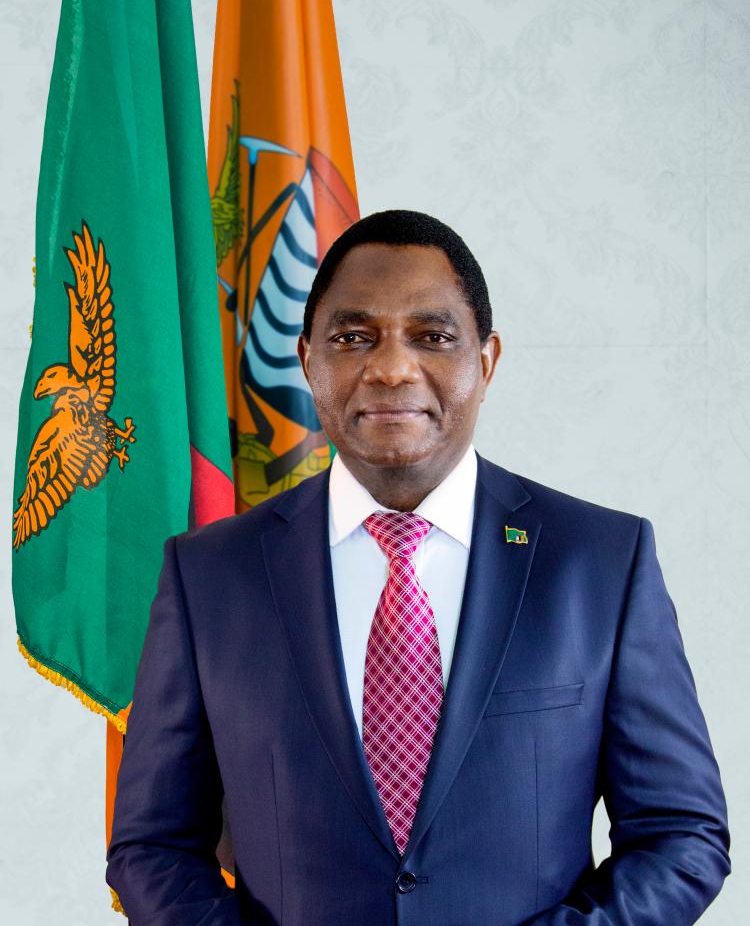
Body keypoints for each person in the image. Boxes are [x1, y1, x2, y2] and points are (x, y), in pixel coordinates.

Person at [106, 210, 730, 926]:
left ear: (486, 362)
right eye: (353, 337)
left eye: (432, 337)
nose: (391, 368)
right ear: (308, 360)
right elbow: (151, 846)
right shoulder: (209, 575)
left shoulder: (602, 562)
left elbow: (682, 836)